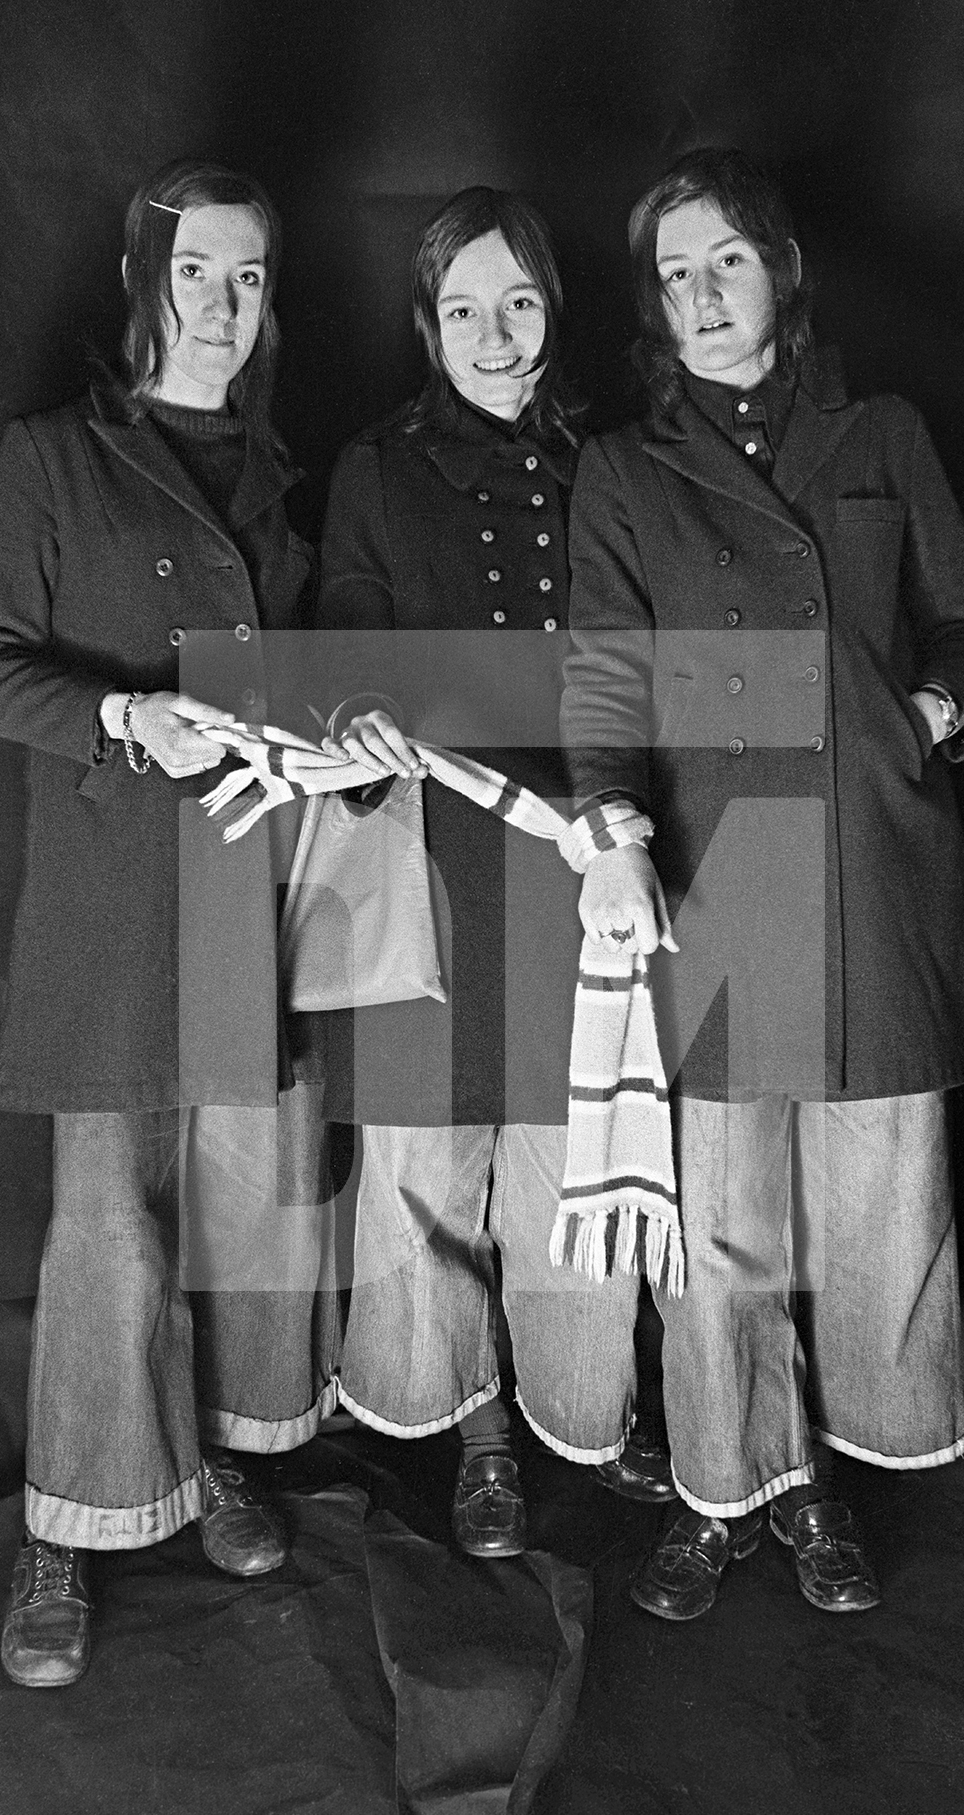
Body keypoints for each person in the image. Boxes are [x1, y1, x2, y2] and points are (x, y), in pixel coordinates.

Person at [561, 148, 964, 1621]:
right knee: (724, 1211)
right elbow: (608, 678)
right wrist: (616, 828)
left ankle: (839, 1469)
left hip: (873, 856)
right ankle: (729, 1485)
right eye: (675, 276)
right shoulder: (628, 470)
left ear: (782, 274)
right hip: (724, 853)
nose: (700, 296)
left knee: (878, 1188)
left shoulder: (883, 433)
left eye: (726, 264)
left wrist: (934, 717)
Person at [0, 159, 342, 1687]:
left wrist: (335, 747)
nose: (226, 304)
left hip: (250, 888)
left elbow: (297, 683)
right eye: (200, 273)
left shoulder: (277, 476)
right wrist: (125, 717)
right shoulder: (53, 457)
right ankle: (67, 1520)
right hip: (115, 892)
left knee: (245, 1204)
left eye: (251, 277)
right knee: (108, 1217)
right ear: (145, 284)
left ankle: (205, 1465)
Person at [312, 186, 672, 1558]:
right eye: (462, 308)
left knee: (572, 1148)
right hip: (430, 863)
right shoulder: (377, 469)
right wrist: (351, 727)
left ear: (555, 309)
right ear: (427, 324)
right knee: (425, 1157)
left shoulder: (616, 462)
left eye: (516, 301)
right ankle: (476, 1436)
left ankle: (585, 1408)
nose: (492, 332)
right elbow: (348, 634)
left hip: (588, 860)